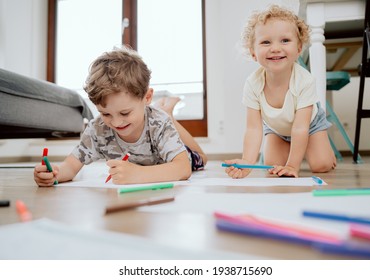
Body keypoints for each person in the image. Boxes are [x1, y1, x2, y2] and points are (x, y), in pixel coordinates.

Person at [34, 46, 206, 186]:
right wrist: (54, 173)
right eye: (105, 113)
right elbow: (71, 166)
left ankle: (169, 113)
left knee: (202, 159)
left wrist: (138, 174)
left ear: (146, 97)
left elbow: (183, 168)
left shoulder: (159, 123)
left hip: (179, 155)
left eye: (125, 113)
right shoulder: (97, 129)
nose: (115, 122)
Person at [225, 5, 336, 179]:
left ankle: (321, 150)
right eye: (266, 42)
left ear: (299, 48)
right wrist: (247, 162)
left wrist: (293, 166)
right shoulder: (253, 84)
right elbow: (253, 128)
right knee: (272, 166)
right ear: (253, 52)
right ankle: (292, 149)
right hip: (277, 129)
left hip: (309, 126)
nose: (275, 48)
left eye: (285, 40)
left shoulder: (304, 80)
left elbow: (300, 128)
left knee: (321, 165)